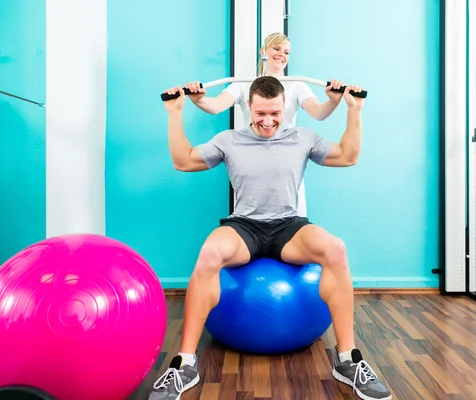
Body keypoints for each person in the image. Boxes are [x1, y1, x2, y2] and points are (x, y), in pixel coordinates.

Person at [149, 76, 392, 400]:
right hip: (244, 225)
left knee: (335, 249)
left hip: (288, 226)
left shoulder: (303, 138)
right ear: (249, 106)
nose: (267, 121)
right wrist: (174, 112)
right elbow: (183, 161)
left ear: (284, 107)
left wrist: (354, 109)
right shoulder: (229, 140)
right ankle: (184, 364)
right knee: (209, 253)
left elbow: (348, 155)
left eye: (275, 113)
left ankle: (347, 359)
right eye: (260, 113)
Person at [183, 32, 346, 217]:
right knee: (252, 231)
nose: (281, 54)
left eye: (286, 52)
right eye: (276, 48)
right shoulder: (243, 84)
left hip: (287, 165)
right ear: (263, 52)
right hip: (251, 164)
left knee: (294, 231)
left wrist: (333, 100)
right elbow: (215, 106)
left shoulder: (297, 86)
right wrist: (199, 99)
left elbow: (319, 113)